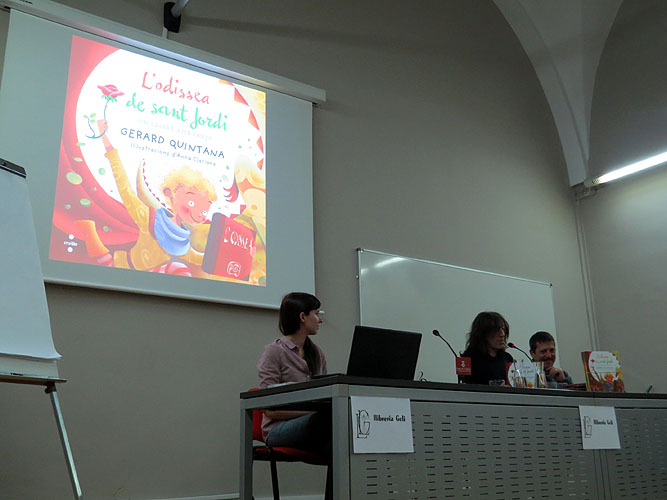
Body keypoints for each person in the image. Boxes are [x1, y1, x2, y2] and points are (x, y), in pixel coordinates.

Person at [76, 120, 217, 276]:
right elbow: (125, 188)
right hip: (122, 268)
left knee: (178, 268)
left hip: (148, 279)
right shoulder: (149, 218)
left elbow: (198, 259)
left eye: (204, 211)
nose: (199, 214)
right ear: (170, 193)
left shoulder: (182, 241)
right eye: (191, 202)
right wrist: (106, 141)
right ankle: (87, 230)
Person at [257, 292, 331, 498]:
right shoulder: (274, 352)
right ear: (302, 317)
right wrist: (310, 413)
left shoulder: (317, 353)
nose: (320, 320)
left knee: (343, 441)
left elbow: (324, 395)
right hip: (277, 430)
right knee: (332, 421)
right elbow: (270, 410)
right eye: (316, 314)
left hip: (314, 425)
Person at [461, 311, 514, 385]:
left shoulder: (507, 358)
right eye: (496, 330)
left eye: (503, 329)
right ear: (483, 334)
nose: (502, 334)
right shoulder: (469, 358)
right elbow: (467, 386)